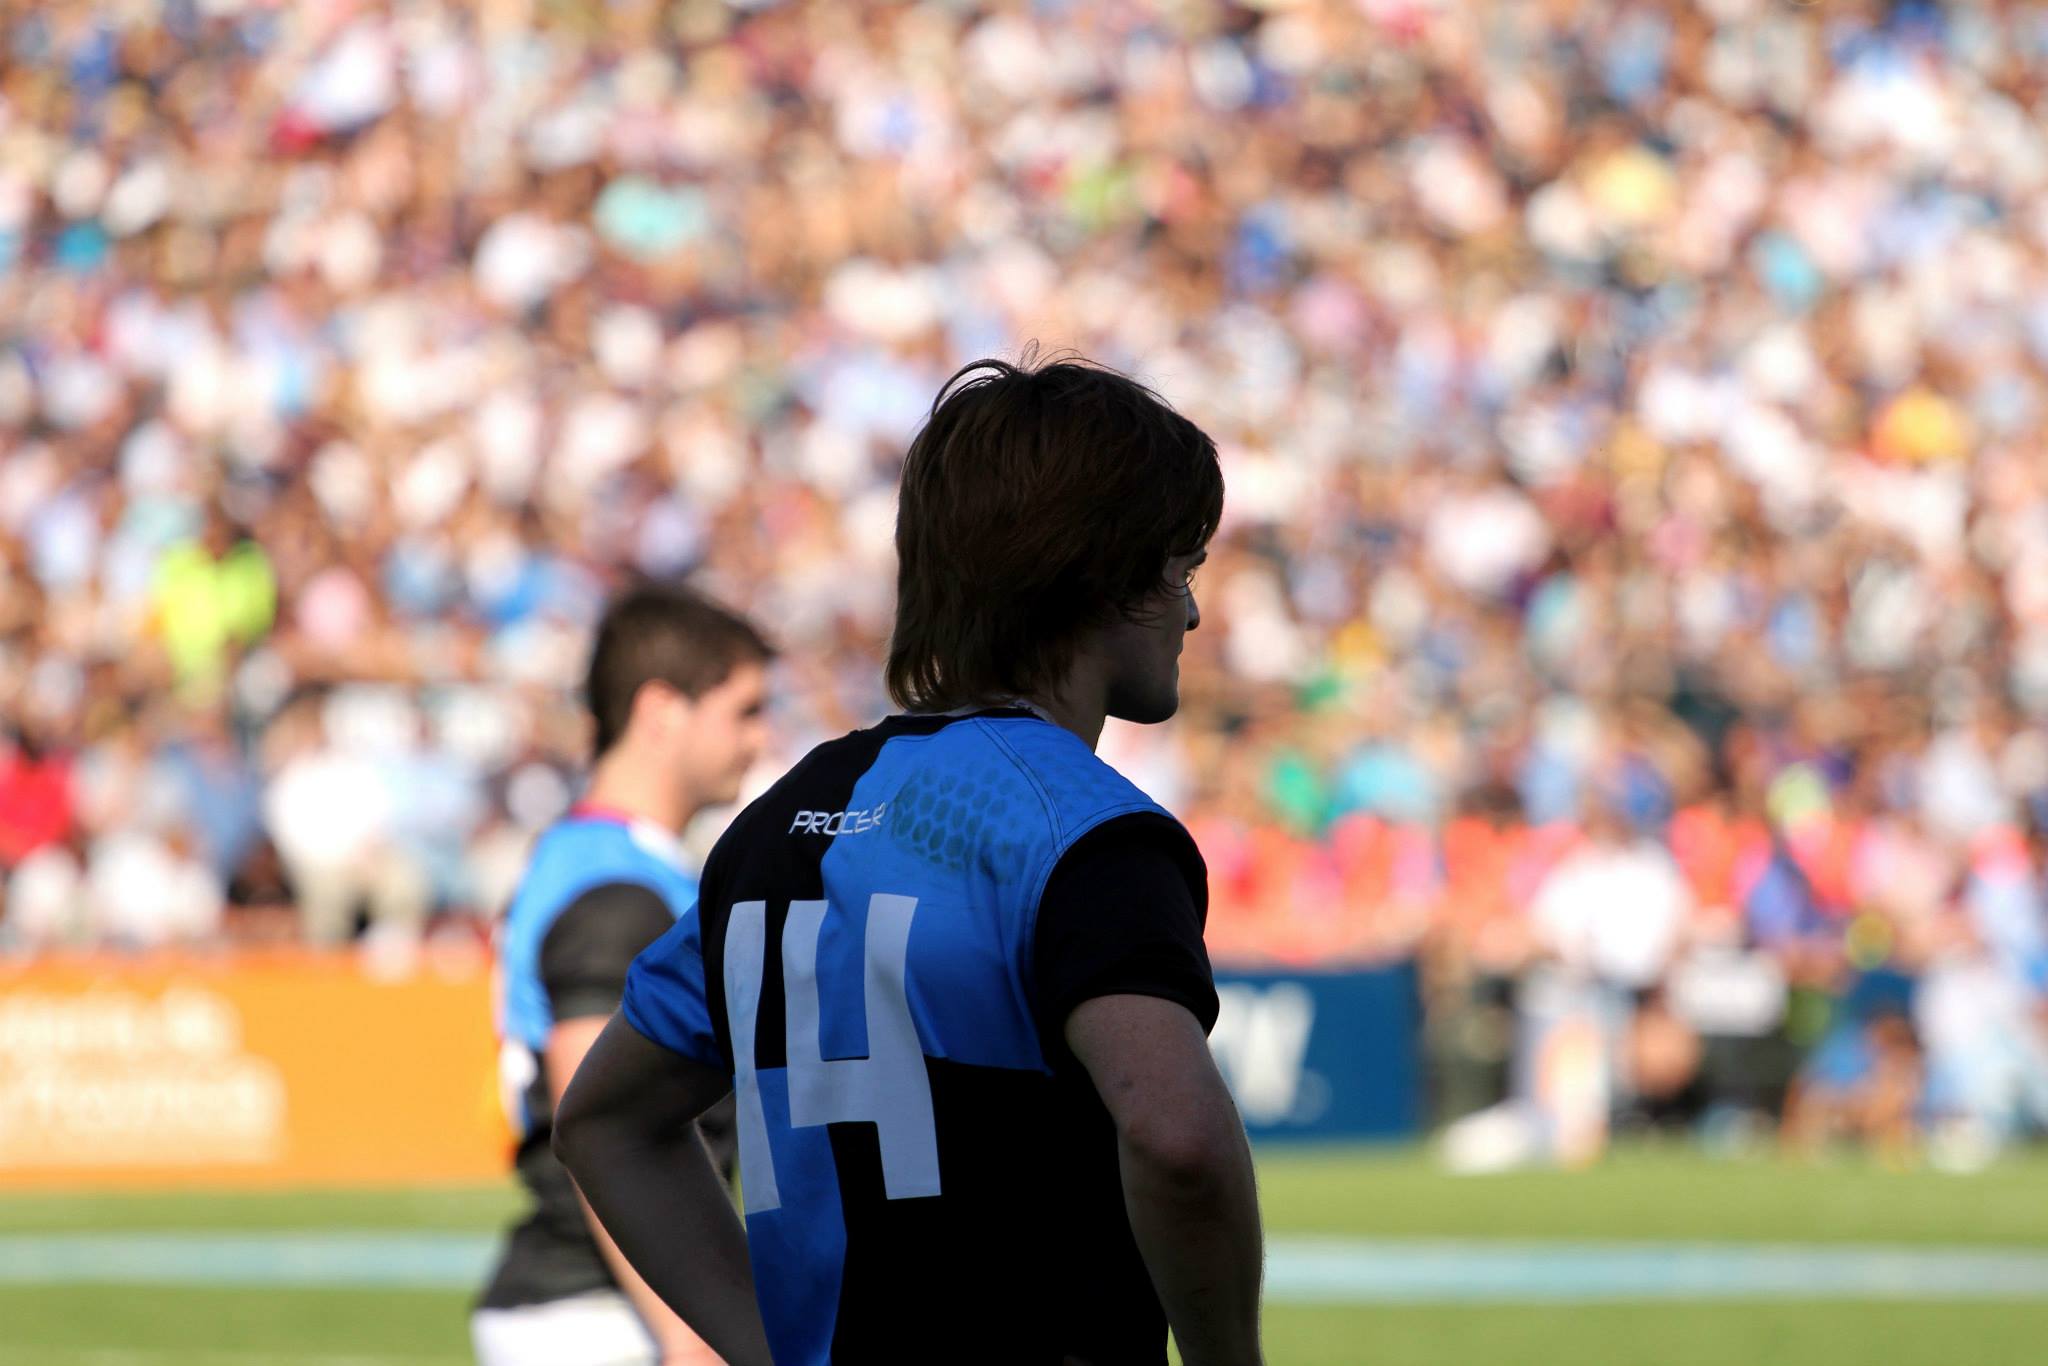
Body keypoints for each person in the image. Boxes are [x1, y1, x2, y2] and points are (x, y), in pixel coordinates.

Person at [554, 358, 1265, 1366]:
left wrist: (768, 1350)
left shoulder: (777, 820)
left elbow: (603, 1120)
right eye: (1178, 570)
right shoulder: (1086, 830)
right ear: (1105, 574)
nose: (1189, 614)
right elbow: (1178, 1140)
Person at [473, 583, 774, 1366]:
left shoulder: (594, 859)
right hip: (601, 1314)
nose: (759, 739)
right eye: (744, 710)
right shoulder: (614, 888)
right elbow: (598, 1110)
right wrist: (688, 1333)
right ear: (661, 711)